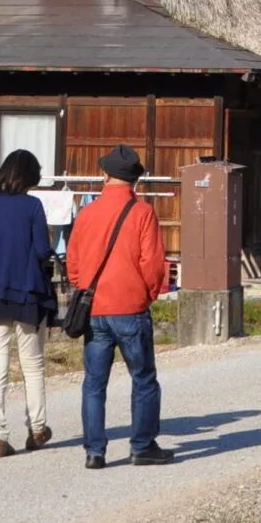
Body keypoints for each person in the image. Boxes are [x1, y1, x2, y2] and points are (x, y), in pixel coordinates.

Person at [68, 144, 173, 468]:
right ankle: (142, 446)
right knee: (143, 378)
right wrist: (149, 293)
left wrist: (83, 287)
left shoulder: (86, 214)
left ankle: (94, 452)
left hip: (95, 309)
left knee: (94, 384)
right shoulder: (142, 213)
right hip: (130, 306)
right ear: (135, 180)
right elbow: (153, 264)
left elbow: (73, 263)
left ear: (104, 175)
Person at [0, 148, 57, 459]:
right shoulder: (33, 206)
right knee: (33, 366)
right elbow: (44, 251)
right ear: (29, 177)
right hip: (28, 294)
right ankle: (37, 429)